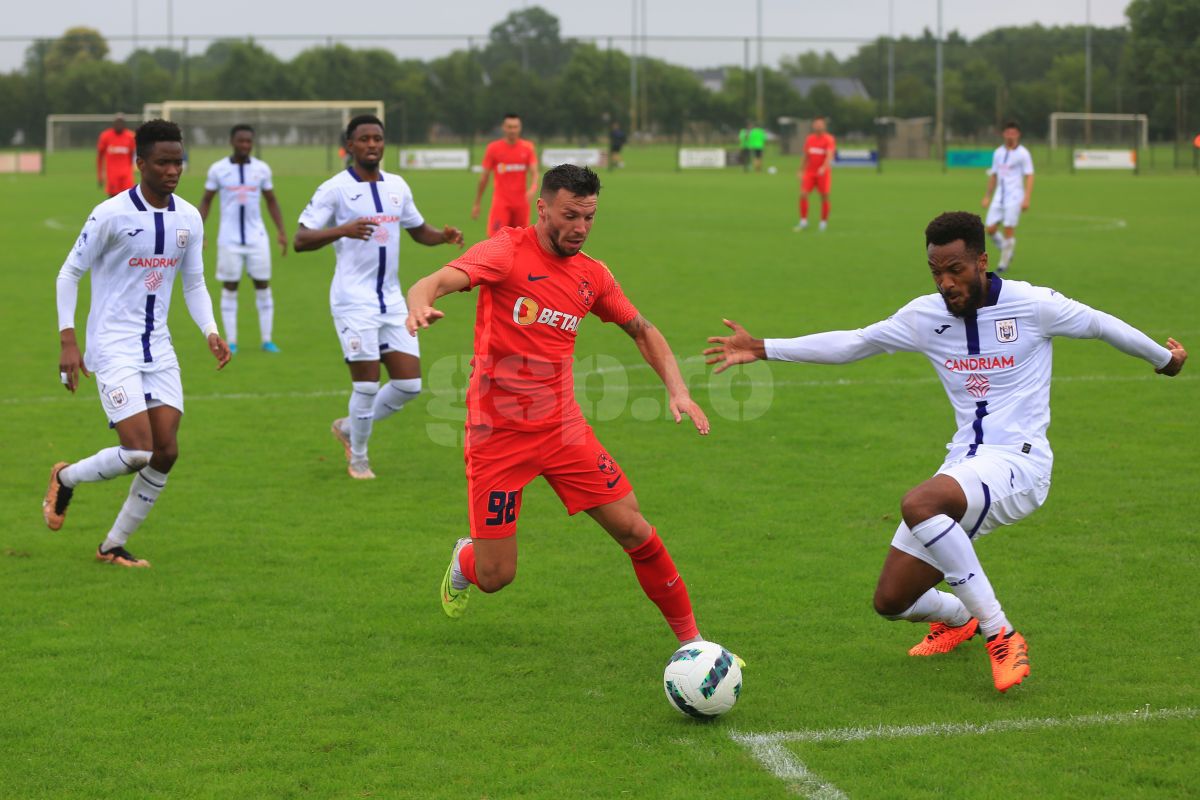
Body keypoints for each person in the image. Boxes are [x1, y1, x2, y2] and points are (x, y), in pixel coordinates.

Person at [704, 211, 1187, 692]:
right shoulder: (924, 316)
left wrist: (1164, 360)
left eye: (955, 269)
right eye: (936, 271)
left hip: (1021, 463)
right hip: (965, 463)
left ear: (981, 261)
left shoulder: (1033, 305)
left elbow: (1101, 325)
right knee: (893, 600)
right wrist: (764, 347)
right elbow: (855, 343)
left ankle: (1001, 633)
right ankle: (960, 619)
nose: (946, 282)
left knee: (920, 504)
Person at [406, 164, 711, 645]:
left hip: (562, 430)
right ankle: (466, 558)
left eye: (590, 217)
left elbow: (642, 329)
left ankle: (694, 644)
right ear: (542, 207)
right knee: (497, 576)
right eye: (571, 215)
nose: (581, 228)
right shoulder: (505, 251)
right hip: (498, 436)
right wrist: (418, 304)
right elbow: (434, 281)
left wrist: (678, 389)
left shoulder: (593, 275)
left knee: (635, 529)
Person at [44, 119, 232, 567]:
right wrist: (68, 341)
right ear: (141, 163)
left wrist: (210, 330)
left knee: (166, 451)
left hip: (159, 347)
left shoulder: (189, 218)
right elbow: (69, 273)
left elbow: (195, 283)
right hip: (111, 345)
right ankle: (65, 476)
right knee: (138, 451)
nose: (173, 170)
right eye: (163, 162)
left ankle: (112, 545)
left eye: (178, 162)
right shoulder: (110, 214)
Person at [294, 114, 464, 480]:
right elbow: (300, 239)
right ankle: (359, 458)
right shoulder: (335, 189)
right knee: (367, 384)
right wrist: (343, 230)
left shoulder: (397, 186)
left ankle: (348, 427)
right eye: (364, 139)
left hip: (391, 300)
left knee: (408, 385)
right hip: (353, 301)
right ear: (350, 145)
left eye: (377, 138)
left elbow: (419, 231)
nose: (372, 144)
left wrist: (443, 236)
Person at [198, 124, 289, 355]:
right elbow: (207, 200)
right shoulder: (218, 169)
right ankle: (233, 341)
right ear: (232, 141)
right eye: (241, 141)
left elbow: (271, 200)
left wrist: (280, 230)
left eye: (249, 141)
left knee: (263, 285)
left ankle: (267, 340)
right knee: (230, 287)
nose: (245, 145)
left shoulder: (262, 169)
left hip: (257, 238)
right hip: (229, 239)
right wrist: (199, 230)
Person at [471, 113, 538, 236]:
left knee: (522, 242)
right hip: (501, 203)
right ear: (503, 127)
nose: (512, 130)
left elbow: (534, 173)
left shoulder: (528, 148)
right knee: (496, 241)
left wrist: (533, 188)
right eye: (509, 127)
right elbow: (484, 178)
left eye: (515, 127)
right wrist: (477, 203)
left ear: (520, 128)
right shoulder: (493, 148)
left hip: (521, 204)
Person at [982, 121, 1034, 273]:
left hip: (1014, 197)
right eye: (1008, 132)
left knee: (1008, 229)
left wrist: (1026, 198)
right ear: (1004, 134)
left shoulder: (1023, 154)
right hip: (999, 196)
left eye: (1013, 132)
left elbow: (1030, 175)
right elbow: (993, 175)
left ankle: (1002, 265)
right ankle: (1007, 250)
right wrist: (987, 196)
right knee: (990, 229)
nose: (1010, 135)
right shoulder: (998, 152)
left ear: (1018, 134)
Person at [795, 116, 835, 232]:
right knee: (803, 194)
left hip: (823, 173)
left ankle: (823, 223)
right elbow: (806, 156)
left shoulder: (829, 139)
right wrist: (800, 170)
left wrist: (824, 167)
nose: (818, 126)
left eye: (820, 124)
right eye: (816, 124)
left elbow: (829, 155)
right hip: (810, 172)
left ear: (824, 126)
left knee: (824, 197)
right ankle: (803, 222)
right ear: (813, 126)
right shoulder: (810, 139)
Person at [96, 113, 136, 197]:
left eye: (121, 123)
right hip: (112, 177)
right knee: (113, 201)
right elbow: (99, 157)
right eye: (117, 122)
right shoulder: (106, 136)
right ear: (113, 124)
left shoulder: (130, 136)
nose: (119, 125)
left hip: (126, 177)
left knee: (128, 199)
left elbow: (133, 156)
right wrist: (100, 175)